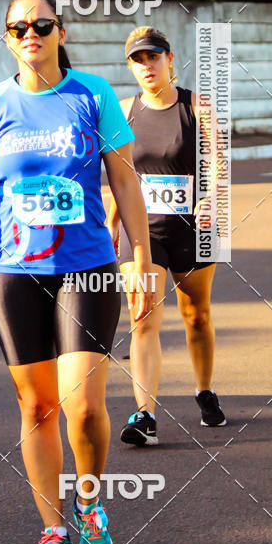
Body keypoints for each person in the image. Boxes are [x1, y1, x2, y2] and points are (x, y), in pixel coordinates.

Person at [0, 0, 154, 544]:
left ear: (61, 32)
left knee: (83, 407)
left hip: (86, 266)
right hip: (12, 272)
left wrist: (140, 258)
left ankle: (89, 505)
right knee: (36, 407)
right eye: (17, 28)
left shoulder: (93, 94)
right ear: (8, 38)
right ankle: (52, 528)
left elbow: (126, 182)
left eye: (42, 24)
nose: (29, 33)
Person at [106, 26, 226, 448]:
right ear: (131, 68)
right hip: (144, 232)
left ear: (169, 58)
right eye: (137, 60)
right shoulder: (122, 111)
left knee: (197, 315)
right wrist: (110, 222)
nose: (147, 66)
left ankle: (204, 389)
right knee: (144, 318)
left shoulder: (198, 106)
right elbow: (121, 175)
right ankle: (145, 415)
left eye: (153, 57)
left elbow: (216, 162)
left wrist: (211, 199)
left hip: (195, 227)